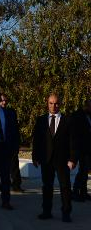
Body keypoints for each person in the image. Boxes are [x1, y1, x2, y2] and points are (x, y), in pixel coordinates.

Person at [32, 93, 77, 222]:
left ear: (60, 104)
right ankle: (46, 211)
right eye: (51, 103)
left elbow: (73, 141)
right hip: (46, 159)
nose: (53, 106)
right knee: (47, 186)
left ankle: (66, 212)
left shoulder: (68, 120)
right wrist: (35, 157)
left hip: (63, 160)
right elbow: (37, 140)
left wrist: (73, 159)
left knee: (65, 186)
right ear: (47, 104)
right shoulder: (41, 120)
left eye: (56, 103)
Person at [0, 93, 23, 192]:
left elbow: (15, 129)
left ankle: (16, 185)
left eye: (5, 100)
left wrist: (17, 143)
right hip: (0, 144)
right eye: (2, 100)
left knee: (14, 166)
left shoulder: (11, 112)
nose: (4, 102)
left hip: (11, 144)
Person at [72, 99, 91, 202]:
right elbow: (75, 133)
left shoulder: (89, 116)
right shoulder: (78, 115)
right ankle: (75, 192)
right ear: (86, 105)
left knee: (85, 171)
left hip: (88, 148)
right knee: (82, 171)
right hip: (81, 148)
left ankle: (83, 192)